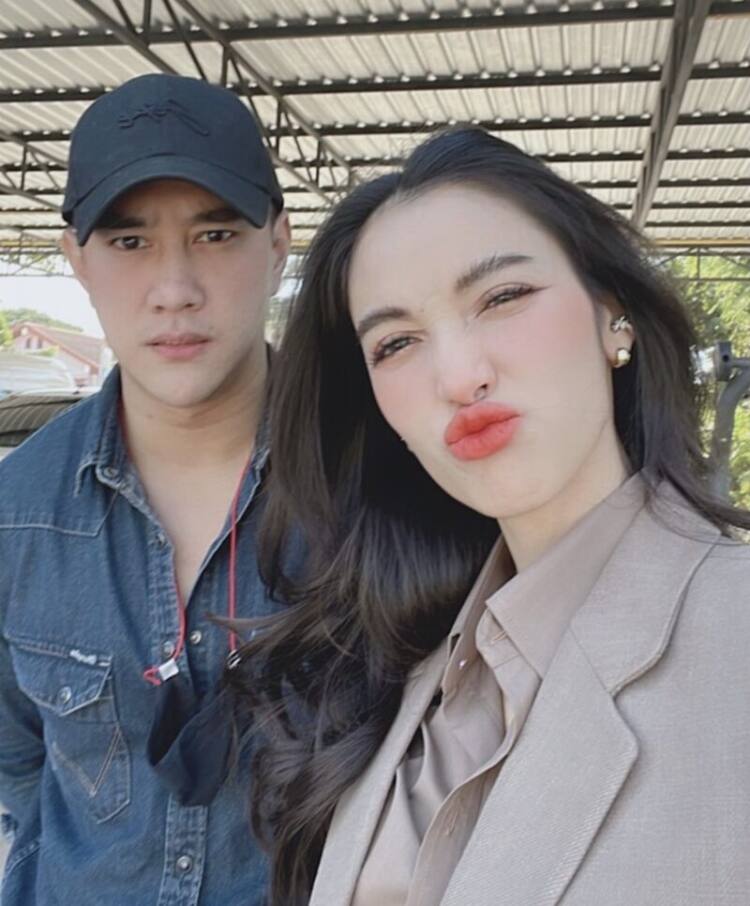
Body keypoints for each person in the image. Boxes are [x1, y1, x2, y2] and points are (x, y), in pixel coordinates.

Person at [227, 127, 750, 906]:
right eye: (396, 343)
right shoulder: (396, 659)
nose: (459, 375)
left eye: (502, 298)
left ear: (613, 314)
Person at [0, 73, 291, 905]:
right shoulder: (16, 513)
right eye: (130, 242)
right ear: (76, 258)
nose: (174, 290)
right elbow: (19, 759)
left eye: (216, 234)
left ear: (278, 243)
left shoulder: (374, 490)